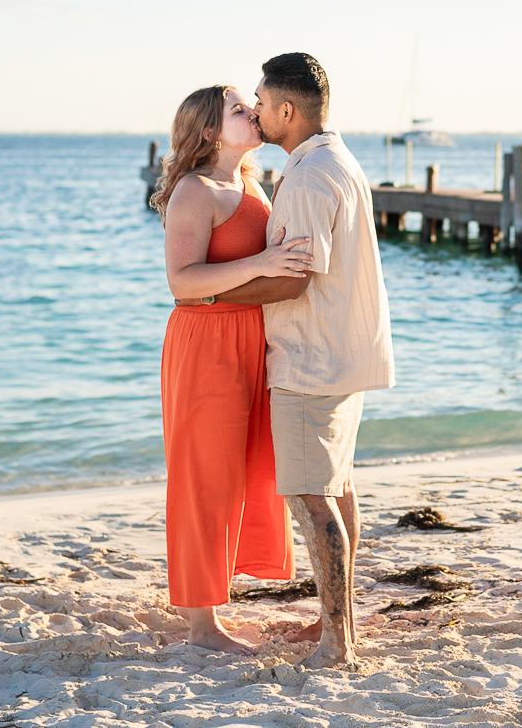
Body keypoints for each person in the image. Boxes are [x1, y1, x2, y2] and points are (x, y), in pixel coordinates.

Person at [185, 53, 395, 668]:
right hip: (345, 350)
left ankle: (337, 640)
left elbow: (292, 282)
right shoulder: (337, 159)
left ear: (287, 110)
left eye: (261, 101)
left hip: (312, 356)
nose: (255, 110)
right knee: (336, 488)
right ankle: (341, 624)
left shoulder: (304, 177)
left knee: (310, 496)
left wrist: (211, 292)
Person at [152, 85, 314, 653]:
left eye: (253, 104)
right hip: (207, 343)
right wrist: (265, 262)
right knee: (205, 476)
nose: (254, 113)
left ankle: (212, 601)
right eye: (240, 109)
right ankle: (202, 627)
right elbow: (182, 281)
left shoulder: (250, 182)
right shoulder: (196, 190)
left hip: (250, 338)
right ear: (209, 132)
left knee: (245, 470)